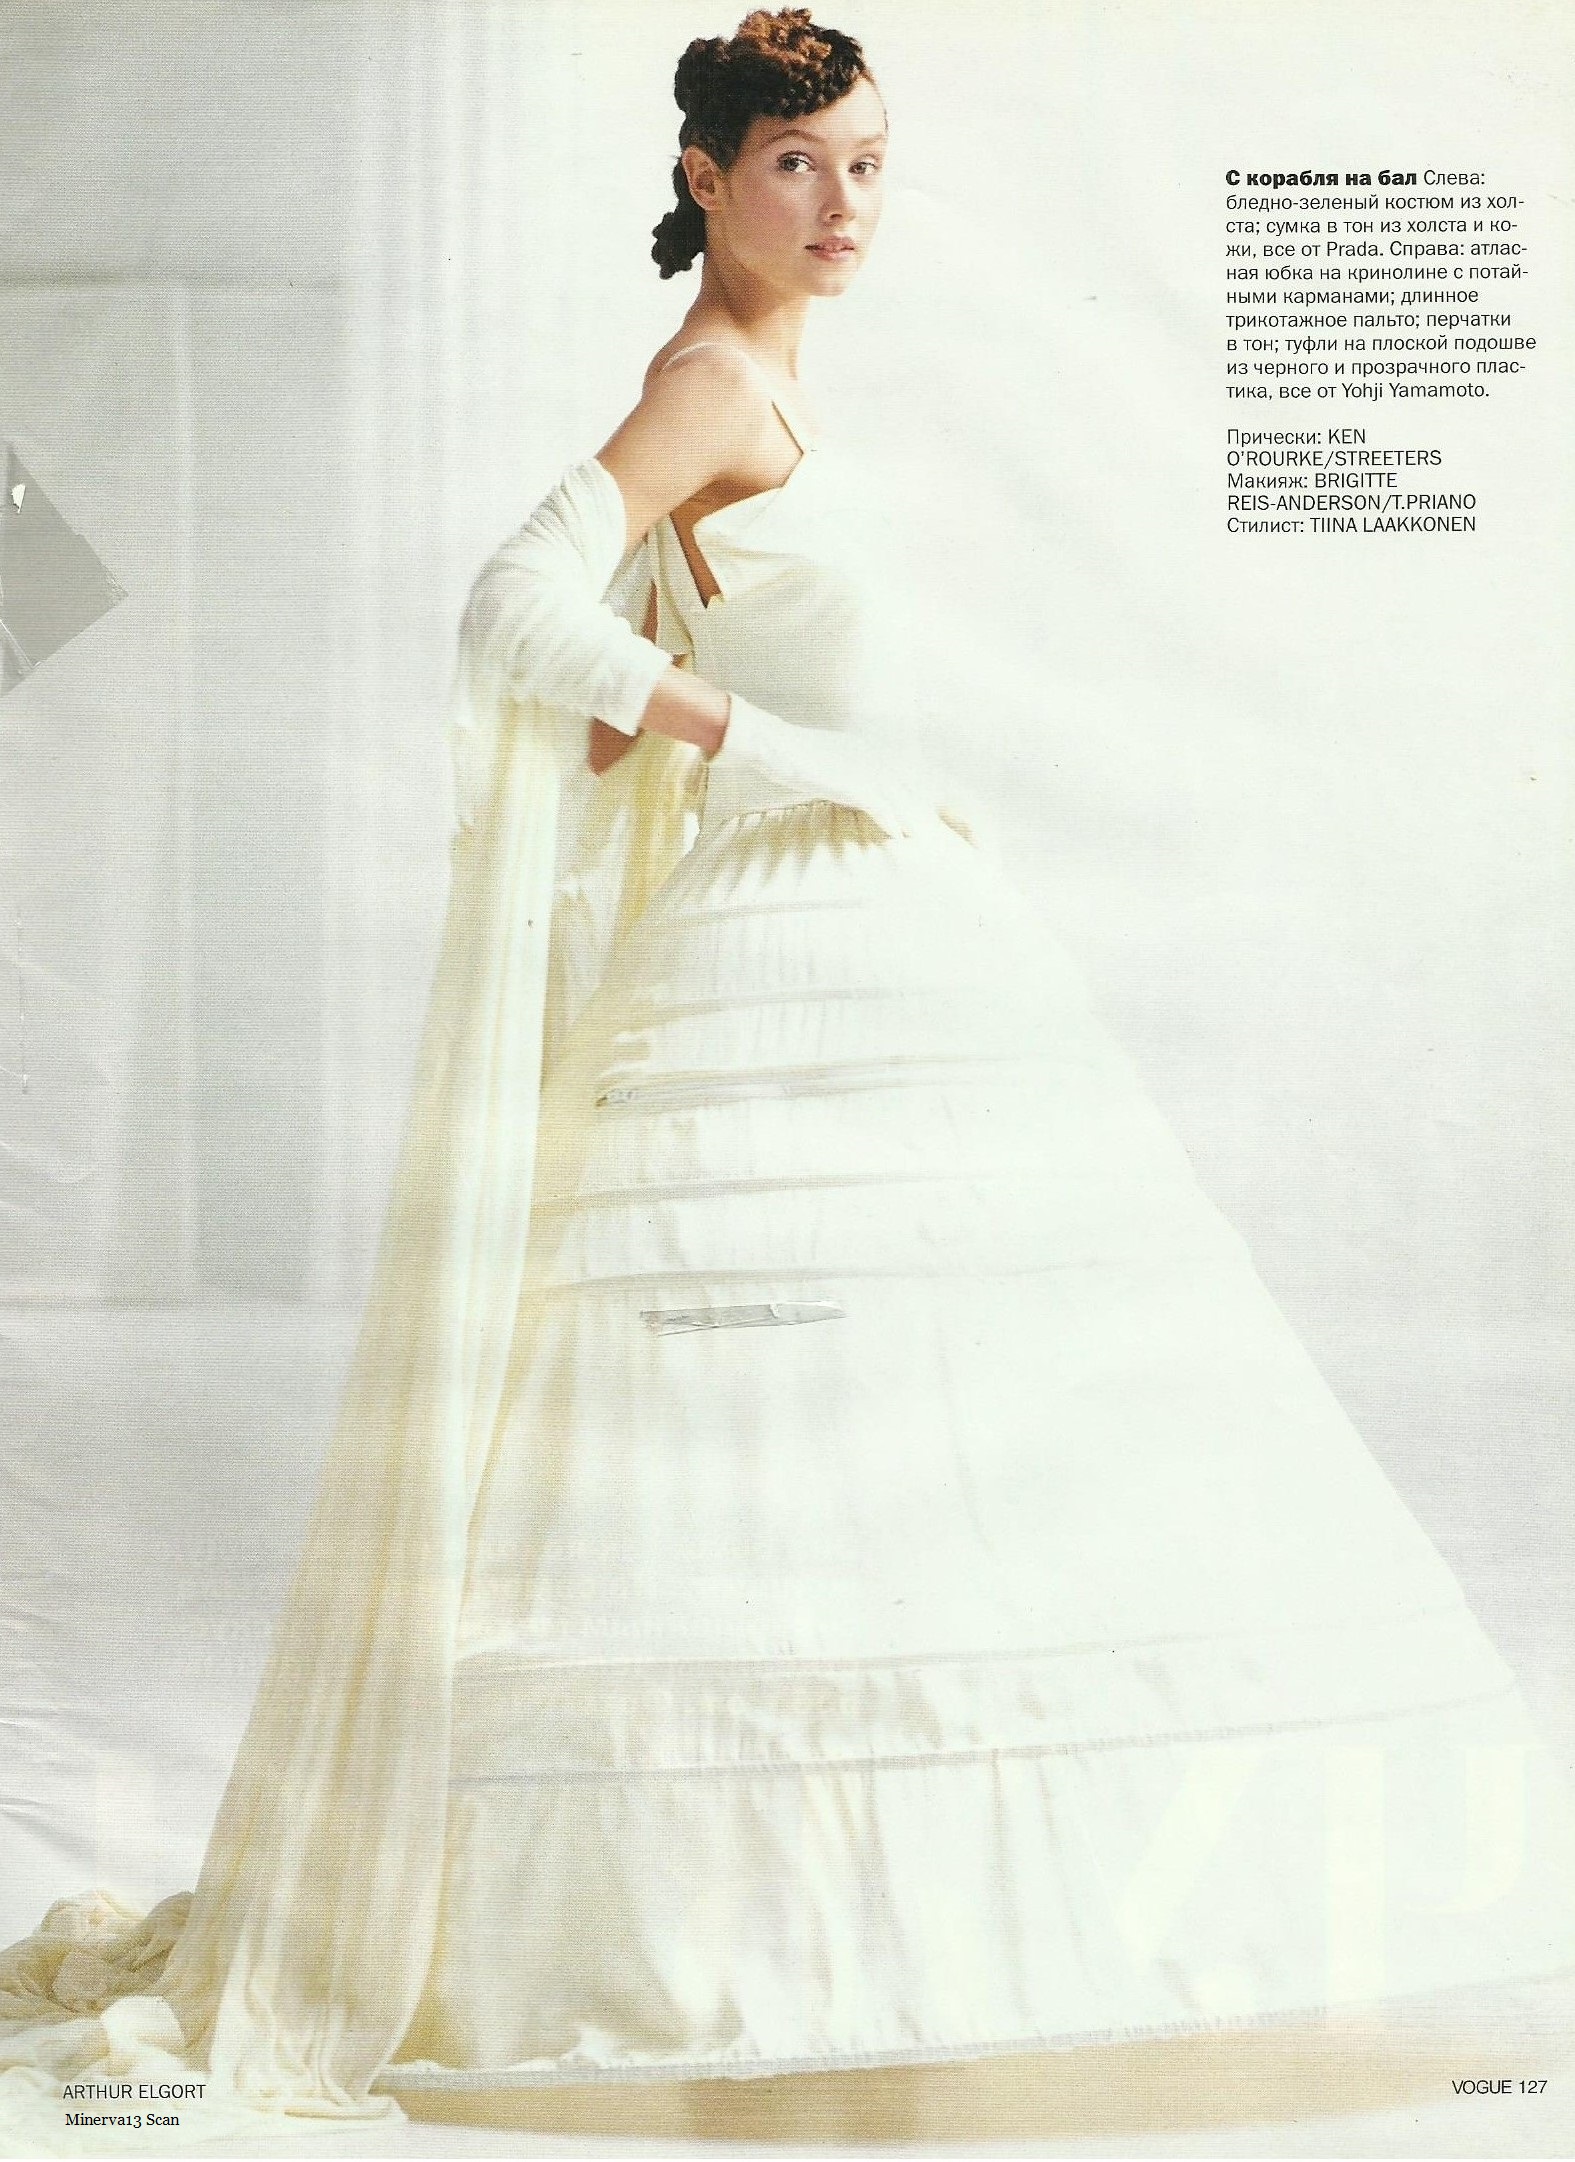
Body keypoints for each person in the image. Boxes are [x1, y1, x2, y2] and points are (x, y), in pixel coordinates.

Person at [3, 6, 1573, 2143]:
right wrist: (758, 746)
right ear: (704, 179)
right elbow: (513, 605)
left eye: (867, 163)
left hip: (883, 917)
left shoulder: (781, 386)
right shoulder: (711, 381)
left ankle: (871, 1927)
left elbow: (638, 649)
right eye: (796, 165)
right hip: (782, 917)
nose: (842, 203)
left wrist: (779, 743)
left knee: (940, 1424)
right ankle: (749, 1942)